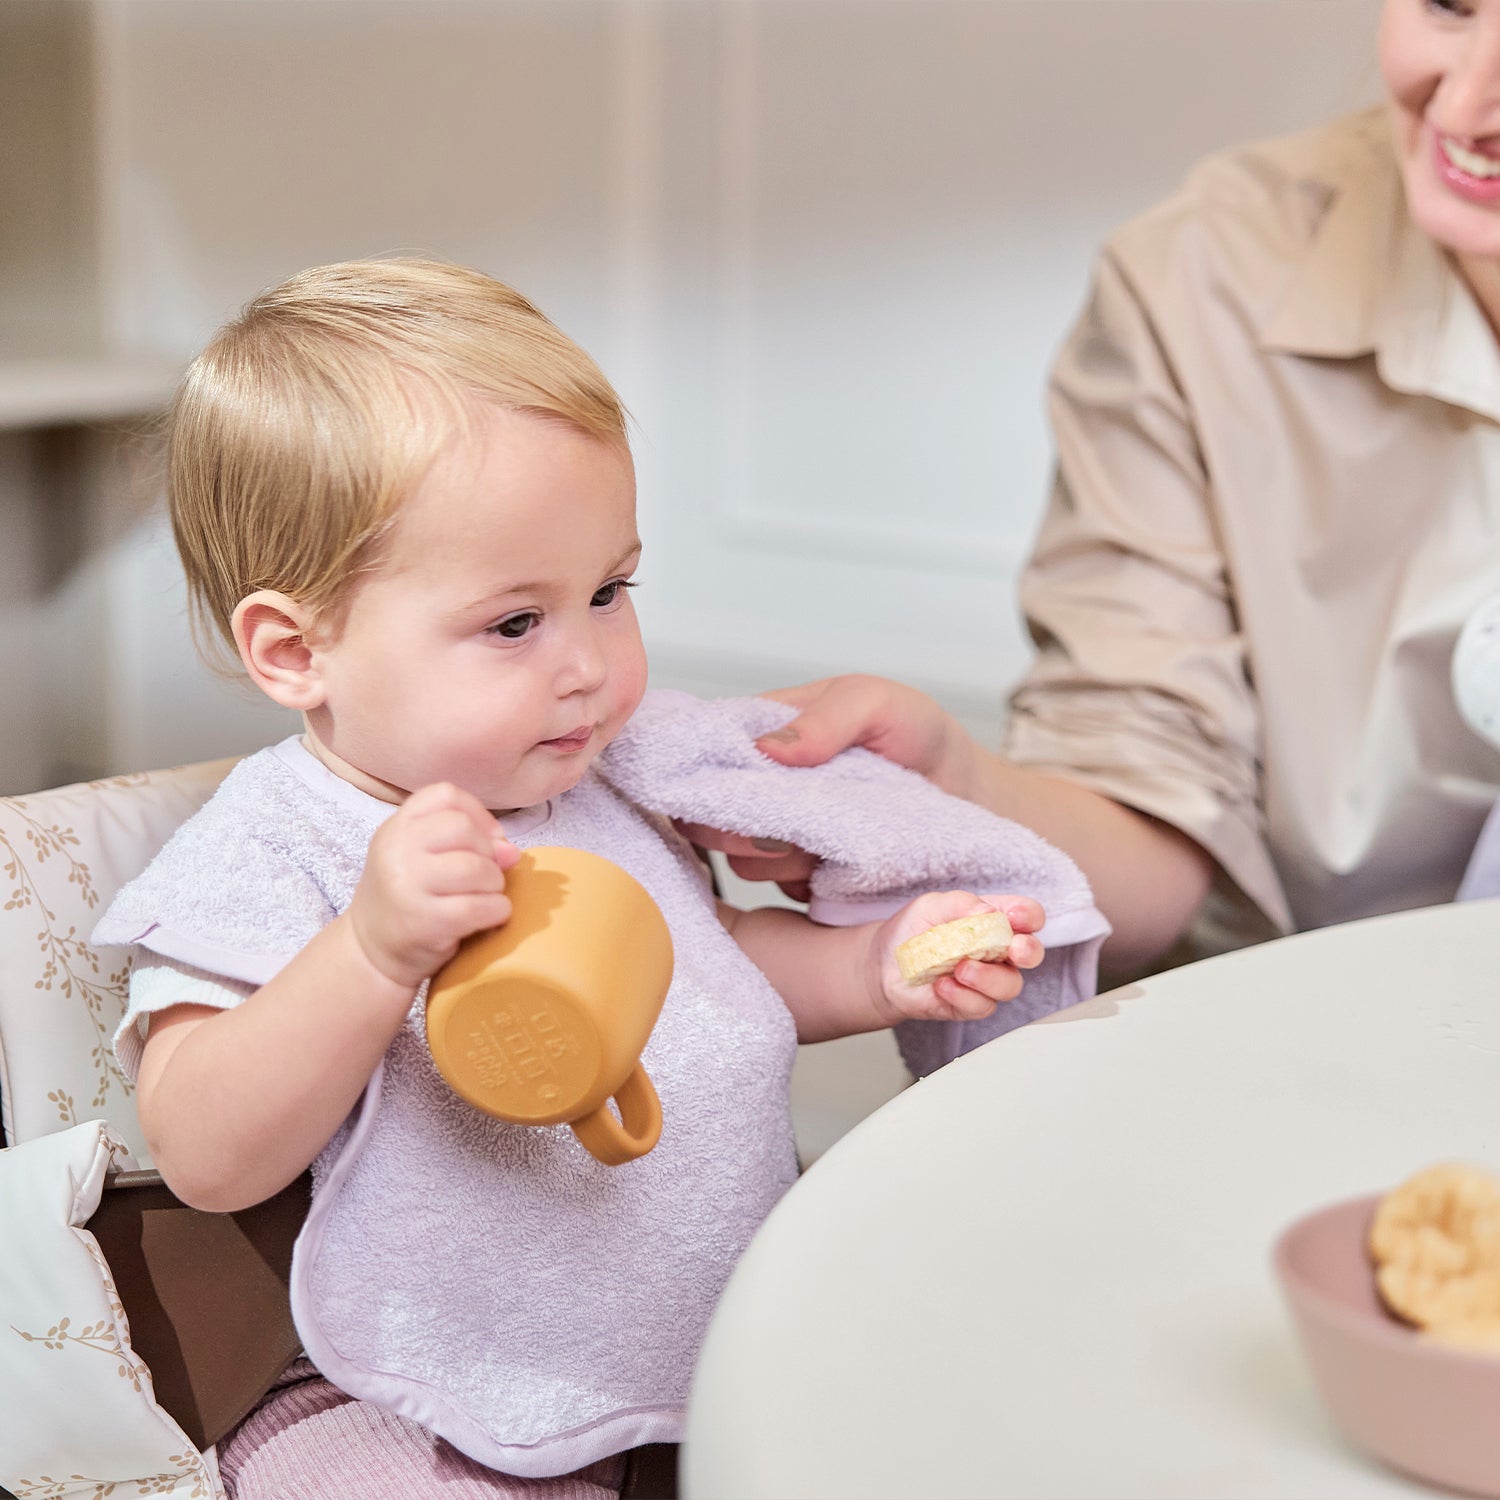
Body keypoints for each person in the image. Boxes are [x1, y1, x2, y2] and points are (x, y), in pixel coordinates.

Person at [90, 258, 1044, 1498]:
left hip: (705, 1343)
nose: (591, 663)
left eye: (609, 591)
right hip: (424, 1387)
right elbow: (211, 1149)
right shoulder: (275, 842)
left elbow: (709, 974)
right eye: (515, 624)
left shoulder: (595, 791)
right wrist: (374, 955)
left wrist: (875, 969)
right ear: (295, 649)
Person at [687, 0, 1500, 984]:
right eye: (1452, 4)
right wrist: (954, 783)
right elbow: (1156, 834)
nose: (1464, 101)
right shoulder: (1203, 282)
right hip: (1307, 1029)